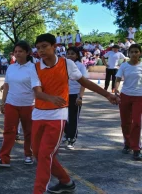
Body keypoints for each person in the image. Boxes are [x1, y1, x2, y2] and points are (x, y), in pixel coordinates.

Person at [29, 33, 119, 194]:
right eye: (38, 48)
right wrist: (50, 98)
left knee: (45, 155)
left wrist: (107, 94)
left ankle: (39, 191)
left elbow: (84, 81)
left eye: (44, 46)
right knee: (38, 153)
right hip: (38, 114)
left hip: (57, 116)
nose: (41, 50)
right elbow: (37, 92)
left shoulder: (67, 64)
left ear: (54, 47)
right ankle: (66, 182)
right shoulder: (35, 67)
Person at [0, 41, 37, 168]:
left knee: (29, 132)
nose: (17, 54)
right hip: (11, 103)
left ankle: (28, 155)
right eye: (15, 51)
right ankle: (4, 159)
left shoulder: (33, 68)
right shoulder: (11, 67)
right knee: (8, 131)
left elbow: (37, 88)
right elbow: (6, 86)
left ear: (27, 53)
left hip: (28, 105)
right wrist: (3, 102)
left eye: (20, 51)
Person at [115, 44, 142, 161]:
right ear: (128, 53)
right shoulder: (124, 66)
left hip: (139, 97)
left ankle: (136, 148)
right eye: (132, 52)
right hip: (125, 96)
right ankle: (127, 143)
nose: (134, 54)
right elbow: (117, 79)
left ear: (140, 53)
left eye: (136, 52)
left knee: (136, 122)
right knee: (125, 122)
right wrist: (115, 89)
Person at [64, 47, 88, 150]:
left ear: (77, 55)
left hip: (75, 95)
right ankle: (68, 133)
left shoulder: (80, 66)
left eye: (72, 54)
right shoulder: (63, 65)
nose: (70, 55)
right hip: (64, 95)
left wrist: (80, 97)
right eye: (68, 54)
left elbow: (84, 83)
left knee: (73, 118)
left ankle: (71, 139)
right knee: (62, 117)